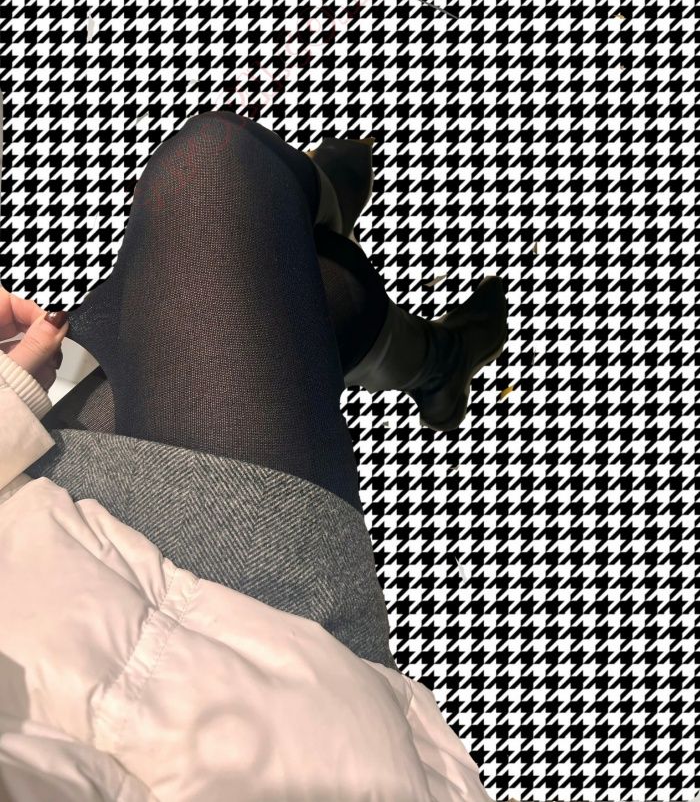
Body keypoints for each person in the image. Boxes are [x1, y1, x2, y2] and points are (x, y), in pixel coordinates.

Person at [0, 110, 507, 801]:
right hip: (230, 692)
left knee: (267, 277)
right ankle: (326, 249)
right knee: (217, 173)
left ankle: (420, 352)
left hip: (29, 525)